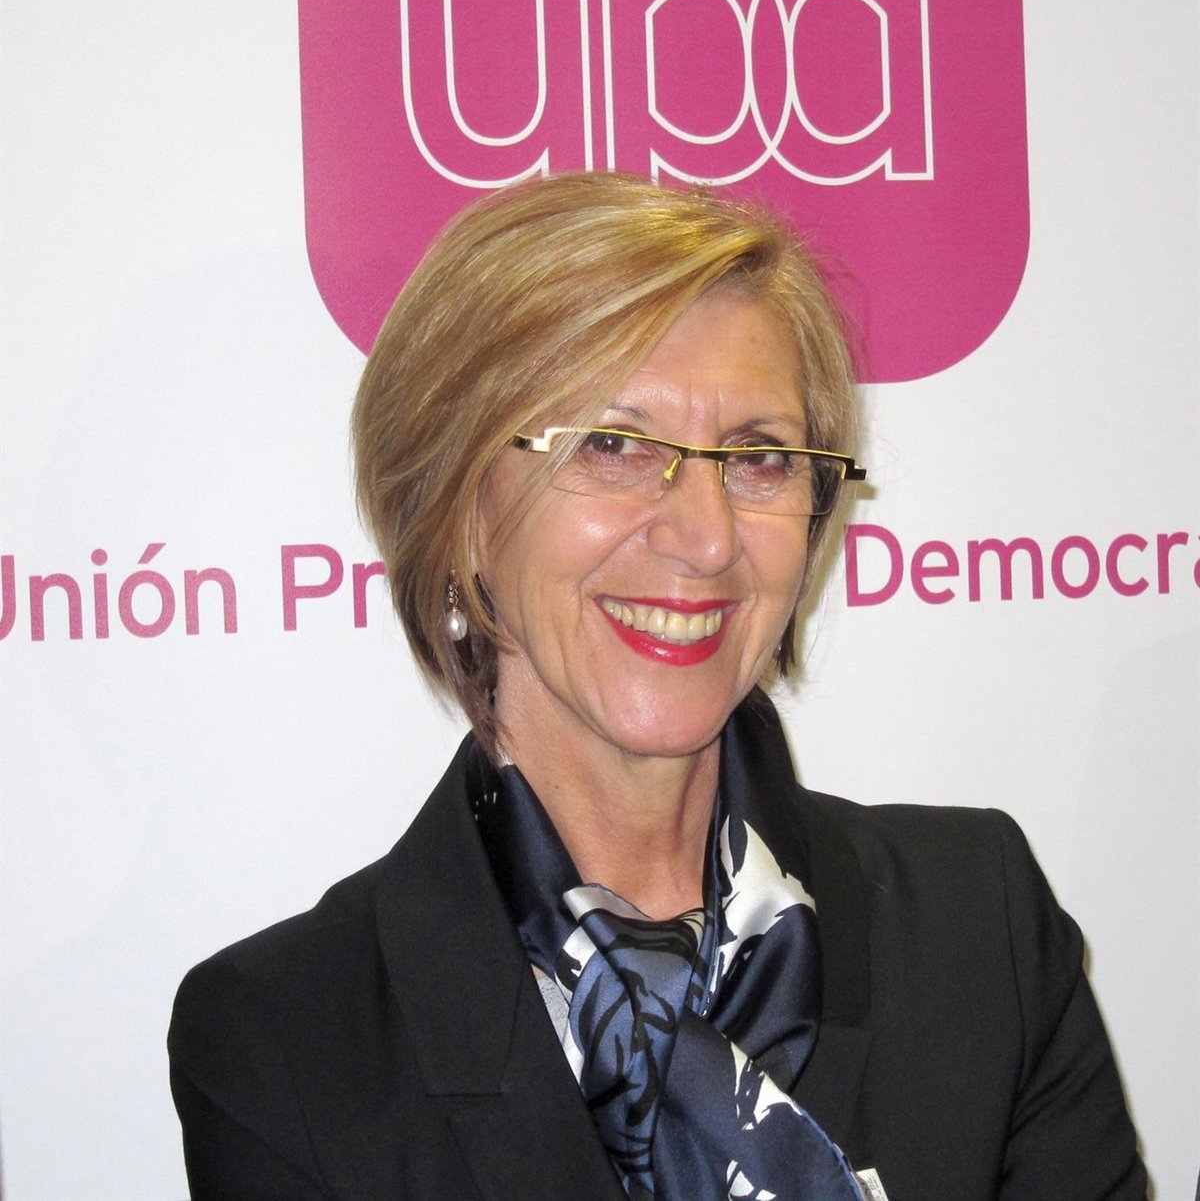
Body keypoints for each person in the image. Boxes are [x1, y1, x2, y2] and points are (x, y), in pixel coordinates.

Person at [169, 172, 1147, 1199]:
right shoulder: (288, 1043)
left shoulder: (979, 924)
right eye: (614, 445)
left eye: (759, 458)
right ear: (458, 510)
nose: (708, 537)